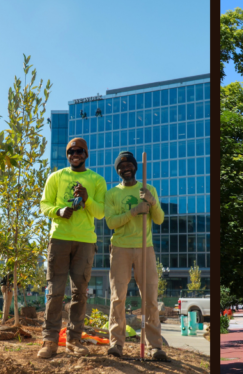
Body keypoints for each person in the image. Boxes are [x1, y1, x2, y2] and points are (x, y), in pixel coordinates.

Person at [37, 137, 107, 359]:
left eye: (79, 151)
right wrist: (58, 211)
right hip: (59, 238)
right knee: (55, 291)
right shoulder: (56, 177)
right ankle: (50, 341)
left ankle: (74, 339)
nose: (74, 154)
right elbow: (44, 205)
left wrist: (86, 198)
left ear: (86, 154)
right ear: (67, 155)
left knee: (80, 293)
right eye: (71, 151)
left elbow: (100, 213)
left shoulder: (97, 180)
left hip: (86, 241)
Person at [104, 150, 168, 361]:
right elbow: (111, 223)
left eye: (129, 165)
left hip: (145, 248)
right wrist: (134, 211)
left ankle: (155, 347)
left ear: (135, 167)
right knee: (117, 298)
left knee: (149, 298)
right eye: (121, 166)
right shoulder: (112, 193)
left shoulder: (149, 189)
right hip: (121, 248)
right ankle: (116, 344)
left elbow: (159, 219)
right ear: (118, 171)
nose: (126, 168)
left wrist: (151, 202)